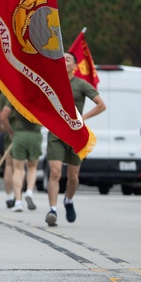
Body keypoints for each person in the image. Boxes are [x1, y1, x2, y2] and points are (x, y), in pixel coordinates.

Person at [46, 51, 107, 225]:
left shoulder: (81, 85)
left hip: (75, 135)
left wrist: (82, 118)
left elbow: (101, 105)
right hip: (56, 133)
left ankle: (68, 200)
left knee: (73, 177)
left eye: (68, 59)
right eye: (62, 59)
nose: (64, 61)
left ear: (74, 66)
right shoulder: (52, 83)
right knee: (55, 173)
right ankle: (53, 210)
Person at [0, 97, 41, 213]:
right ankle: (29, 191)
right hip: (35, 135)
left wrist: (10, 131)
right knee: (32, 167)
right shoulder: (40, 95)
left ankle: (18, 202)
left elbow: (3, 116)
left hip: (19, 135)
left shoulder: (16, 94)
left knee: (18, 169)